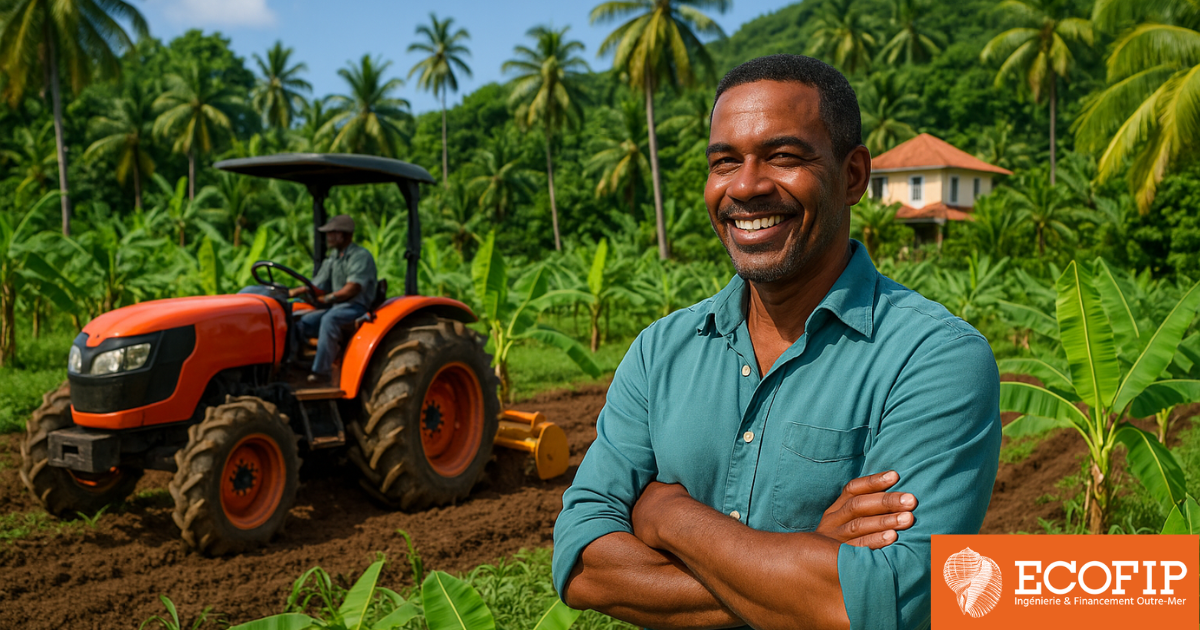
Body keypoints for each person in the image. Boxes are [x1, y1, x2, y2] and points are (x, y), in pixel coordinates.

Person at [551, 55, 1001, 630]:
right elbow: (582, 564)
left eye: (784, 156)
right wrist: (805, 560)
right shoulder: (658, 351)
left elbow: (890, 598)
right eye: (724, 162)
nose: (746, 186)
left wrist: (669, 516)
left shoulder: (934, 357)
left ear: (853, 176)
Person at [291, 214, 378, 385]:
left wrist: (328, 298)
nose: (328, 237)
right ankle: (294, 365)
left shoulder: (360, 256)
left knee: (330, 319)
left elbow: (353, 288)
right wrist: (292, 292)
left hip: (356, 307)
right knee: (299, 321)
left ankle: (321, 372)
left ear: (344, 234)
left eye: (332, 233)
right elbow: (316, 284)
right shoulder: (334, 257)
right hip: (338, 307)